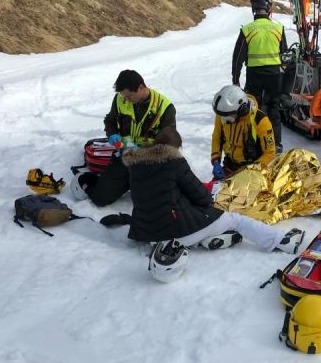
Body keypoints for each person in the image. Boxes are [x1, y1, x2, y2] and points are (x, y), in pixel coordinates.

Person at [122, 127, 305, 281]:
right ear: (175, 148)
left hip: (149, 234)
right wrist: (210, 201)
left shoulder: (136, 165)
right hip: (176, 232)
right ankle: (282, 241)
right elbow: (201, 196)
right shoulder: (174, 162)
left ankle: (206, 240)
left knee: (190, 215)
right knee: (235, 220)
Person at [72, 69, 177, 206]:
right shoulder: (120, 99)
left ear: (141, 87)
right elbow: (110, 120)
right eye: (124, 96)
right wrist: (112, 134)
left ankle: (135, 182)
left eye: (129, 96)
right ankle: (122, 181)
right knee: (100, 198)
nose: (126, 99)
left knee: (155, 202)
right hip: (125, 157)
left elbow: (170, 145)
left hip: (150, 163)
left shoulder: (165, 108)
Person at [231, 0, 287, 153]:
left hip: (254, 74)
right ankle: (275, 143)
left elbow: (237, 57)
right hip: (274, 75)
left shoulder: (247, 29)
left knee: (254, 107)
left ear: (253, 9)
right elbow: (284, 54)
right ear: (268, 8)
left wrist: (235, 79)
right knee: (274, 107)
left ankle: (254, 140)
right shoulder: (278, 28)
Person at [210, 84, 276, 179]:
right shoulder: (224, 113)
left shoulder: (261, 121)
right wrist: (216, 161)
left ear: (242, 110)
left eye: (228, 116)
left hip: (253, 169)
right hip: (230, 166)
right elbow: (217, 137)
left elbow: (269, 153)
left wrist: (252, 171)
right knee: (214, 192)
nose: (224, 120)